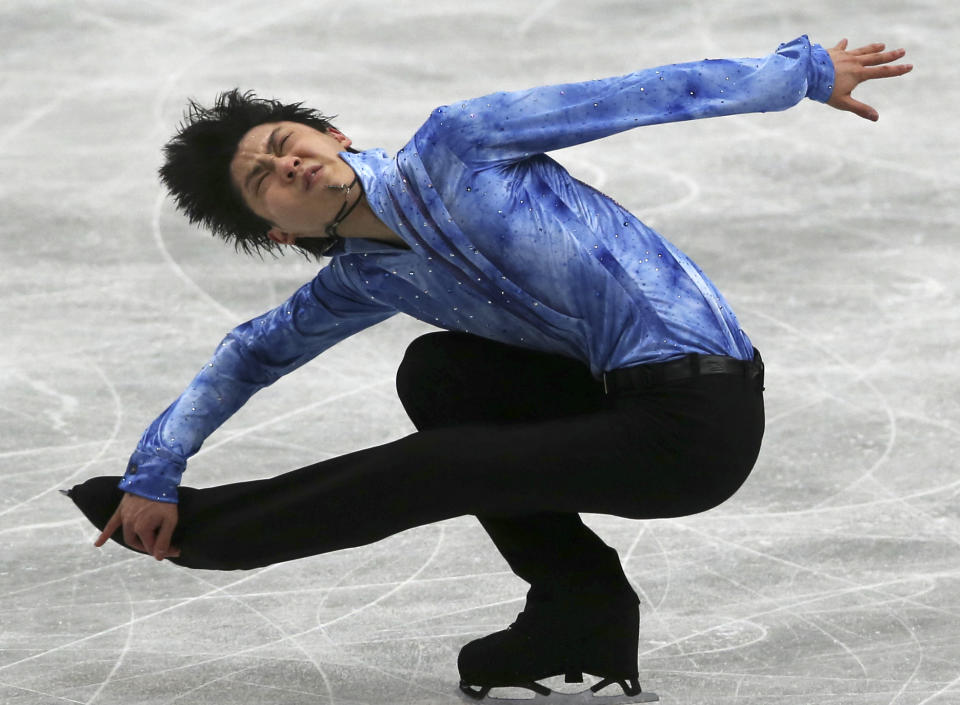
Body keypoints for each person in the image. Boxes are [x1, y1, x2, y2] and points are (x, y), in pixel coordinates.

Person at [67, 36, 911, 701]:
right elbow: (249, 353)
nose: (285, 164)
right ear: (276, 230)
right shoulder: (364, 277)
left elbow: (638, 95)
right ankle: (581, 608)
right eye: (263, 179)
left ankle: (218, 538)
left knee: (446, 464)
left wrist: (797, 73)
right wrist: (156, 469)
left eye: (285, 144)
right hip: (619, 402)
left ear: (332, 137)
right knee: (439, 375)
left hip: (698, 420)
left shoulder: (461, 143)